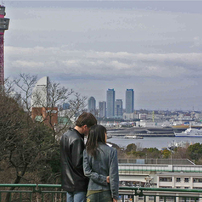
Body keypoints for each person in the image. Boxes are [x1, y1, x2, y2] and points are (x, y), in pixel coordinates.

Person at [60, 112, 97, 202]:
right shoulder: (77, 140)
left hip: (67, 182)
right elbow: (78, 163)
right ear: (85, 127)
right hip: (78, 184)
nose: (90, 132)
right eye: (90, 129)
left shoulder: (65, 135)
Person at [83, 125, 119, 202]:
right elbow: (114, 175)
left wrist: (102, 179)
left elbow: (87, 172)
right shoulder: (112, 151)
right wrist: (115, 195)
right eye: (105, 133)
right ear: (102, 135)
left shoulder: (87, 151)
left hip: (92, 190)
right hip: (106, 192)